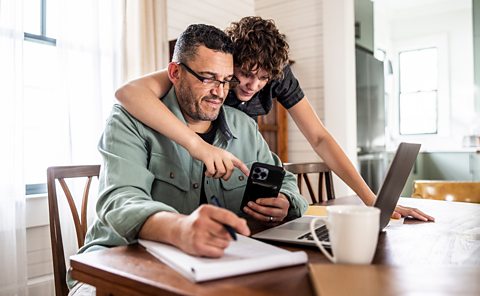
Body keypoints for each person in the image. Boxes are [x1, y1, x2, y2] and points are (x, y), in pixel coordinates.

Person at [115, 16, 434, 222]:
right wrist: (198, 147)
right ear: (230, 61)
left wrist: (372, 200)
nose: (251, 87)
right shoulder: (208, 77)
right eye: (242, 75)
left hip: (239, 189)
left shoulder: (264, 94)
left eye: (263, 79)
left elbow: (319, 137)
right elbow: (129, 93)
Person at [67, 24, 308, 295]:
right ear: (175, 73)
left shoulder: (244, 126)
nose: (220, 92)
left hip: (213, 267)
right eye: (207, 78)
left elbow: (285, 179)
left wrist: (286, 202)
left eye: (226, 80)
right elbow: (121, 202)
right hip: (114, 264)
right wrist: (181, 228)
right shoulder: (128, 120)